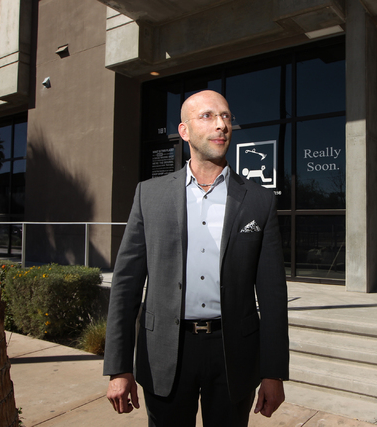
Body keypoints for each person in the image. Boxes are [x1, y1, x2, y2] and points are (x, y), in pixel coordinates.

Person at [103, 90, 289, 427]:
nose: (221, 125)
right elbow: (126, 286)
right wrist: (119, 368)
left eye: (226, 116)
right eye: (208, 116)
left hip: (233, 354)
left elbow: (273, 295)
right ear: (184, 131)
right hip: (164, 352)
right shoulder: (149, 195)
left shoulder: (259, 201)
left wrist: (273, 372)